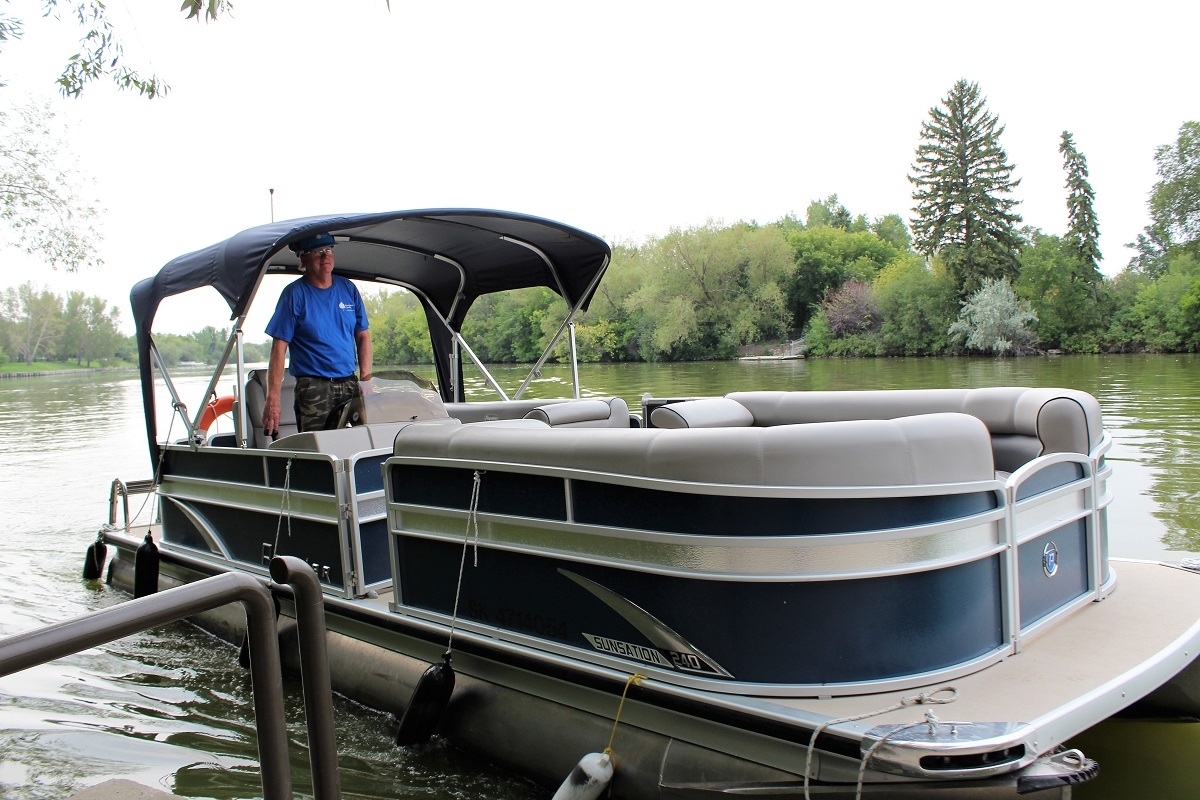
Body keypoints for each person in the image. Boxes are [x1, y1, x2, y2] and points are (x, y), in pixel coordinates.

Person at [261, 232, 373, 437]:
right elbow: (279, 348)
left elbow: (363, 336)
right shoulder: (294, 294)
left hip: (349, 383)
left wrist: (366, 379)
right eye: (318, 252)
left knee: (359, 442)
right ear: (303, 258)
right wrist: (273, 399)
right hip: (313, 387)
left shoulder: (348, 288)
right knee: (319, 449)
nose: (325, 256)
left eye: (329, 250)